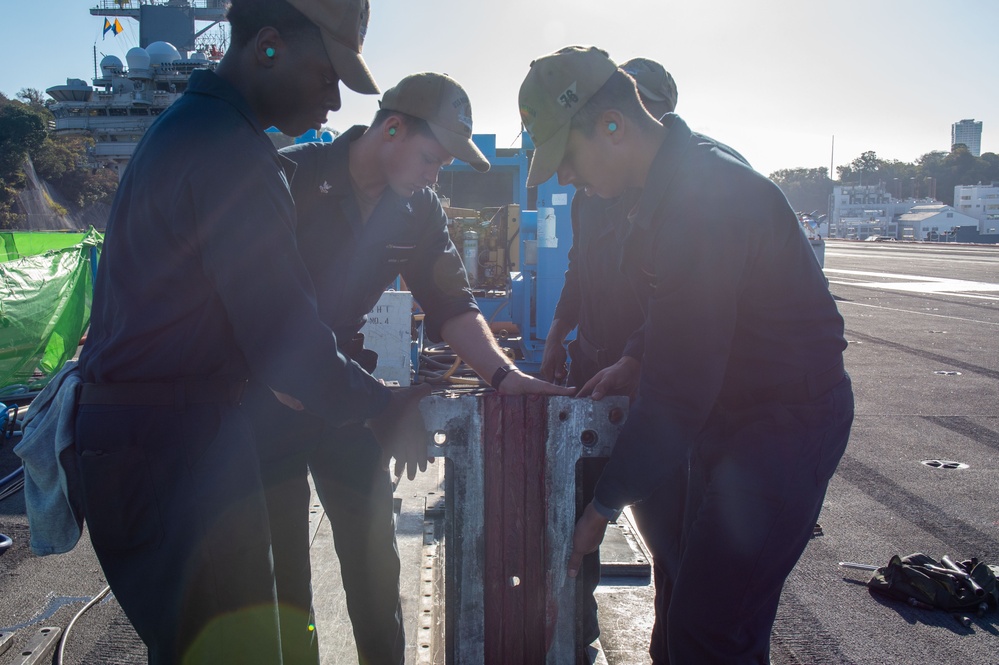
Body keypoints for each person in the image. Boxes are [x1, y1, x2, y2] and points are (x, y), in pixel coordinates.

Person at [72, 1, 432, 663]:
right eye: (327, 77)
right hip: (173, 449)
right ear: (268, 47)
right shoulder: (232, 154)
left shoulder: (187, 130)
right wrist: (384, 401)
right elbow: (291, 353)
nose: (332, 103)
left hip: (146, 441)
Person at [519, 46, 854, 664]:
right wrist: (638, 355)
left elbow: (678, 394)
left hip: (784, 424)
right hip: (735, 416)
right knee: (685, 616)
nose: (565, 178)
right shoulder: (670, 184)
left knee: (710, 629)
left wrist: (602, 506)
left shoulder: (704, 200)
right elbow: (675, 306)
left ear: (612, 127)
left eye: (566, 156)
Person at [247, 72, 576, 665]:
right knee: (281, 569)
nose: (435, 174)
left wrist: (506, 377)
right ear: (390, 128)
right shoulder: (290, 176)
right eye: (431, 157)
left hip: (342, 389)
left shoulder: (418, 209)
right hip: (267, 398)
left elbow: (451, 304)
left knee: (375, 557)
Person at [538, 55, 679, 658]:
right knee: (577, 523)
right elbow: (577, 270)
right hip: (593, 371)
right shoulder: (591, 196)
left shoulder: (680, 200)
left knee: (671, 534)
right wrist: (555, 338)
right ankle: (578, 640)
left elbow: (679, 305)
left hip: (653, 382)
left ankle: (671, 646)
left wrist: (640, 359)